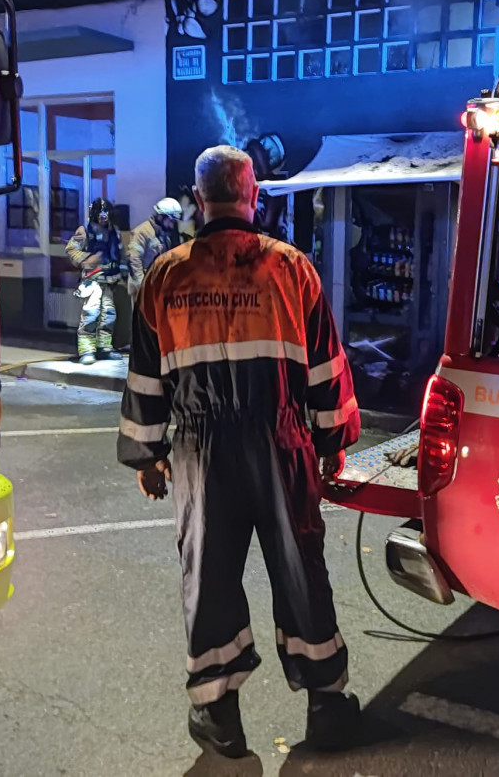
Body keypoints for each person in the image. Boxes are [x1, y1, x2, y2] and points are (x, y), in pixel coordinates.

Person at [117, 145, 361, 758]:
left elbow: (145, 379)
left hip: (201, 450)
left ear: (199, 201)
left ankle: (218, 716)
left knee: (210, 577)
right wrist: (332, 443)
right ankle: (328, 705)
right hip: (281, 441)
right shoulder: (293, 269)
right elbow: (327, 367)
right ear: (254, 196)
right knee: (301, 569)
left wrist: (149, 456)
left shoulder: (164, 277)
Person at [66, 197, 125, 365]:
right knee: (91, 315)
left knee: (109, 315)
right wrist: (87, 259)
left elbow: (121, 255)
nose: (104, 216)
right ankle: (87, 351)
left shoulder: (115, 231)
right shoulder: (85, 231)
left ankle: (104, 349)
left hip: (109, 280)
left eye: (106, 212)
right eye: (100, 212)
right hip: (92, 281)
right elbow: (71, 250)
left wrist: (125, 274)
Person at [126, 197, 183, 303]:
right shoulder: (142, 232)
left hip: (155, 285)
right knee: (142, 318)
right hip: (142, 286)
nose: (172, 225)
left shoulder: (164, 234)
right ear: (161, 217)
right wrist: (142, 287)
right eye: (171, 221)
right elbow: (134, 259)